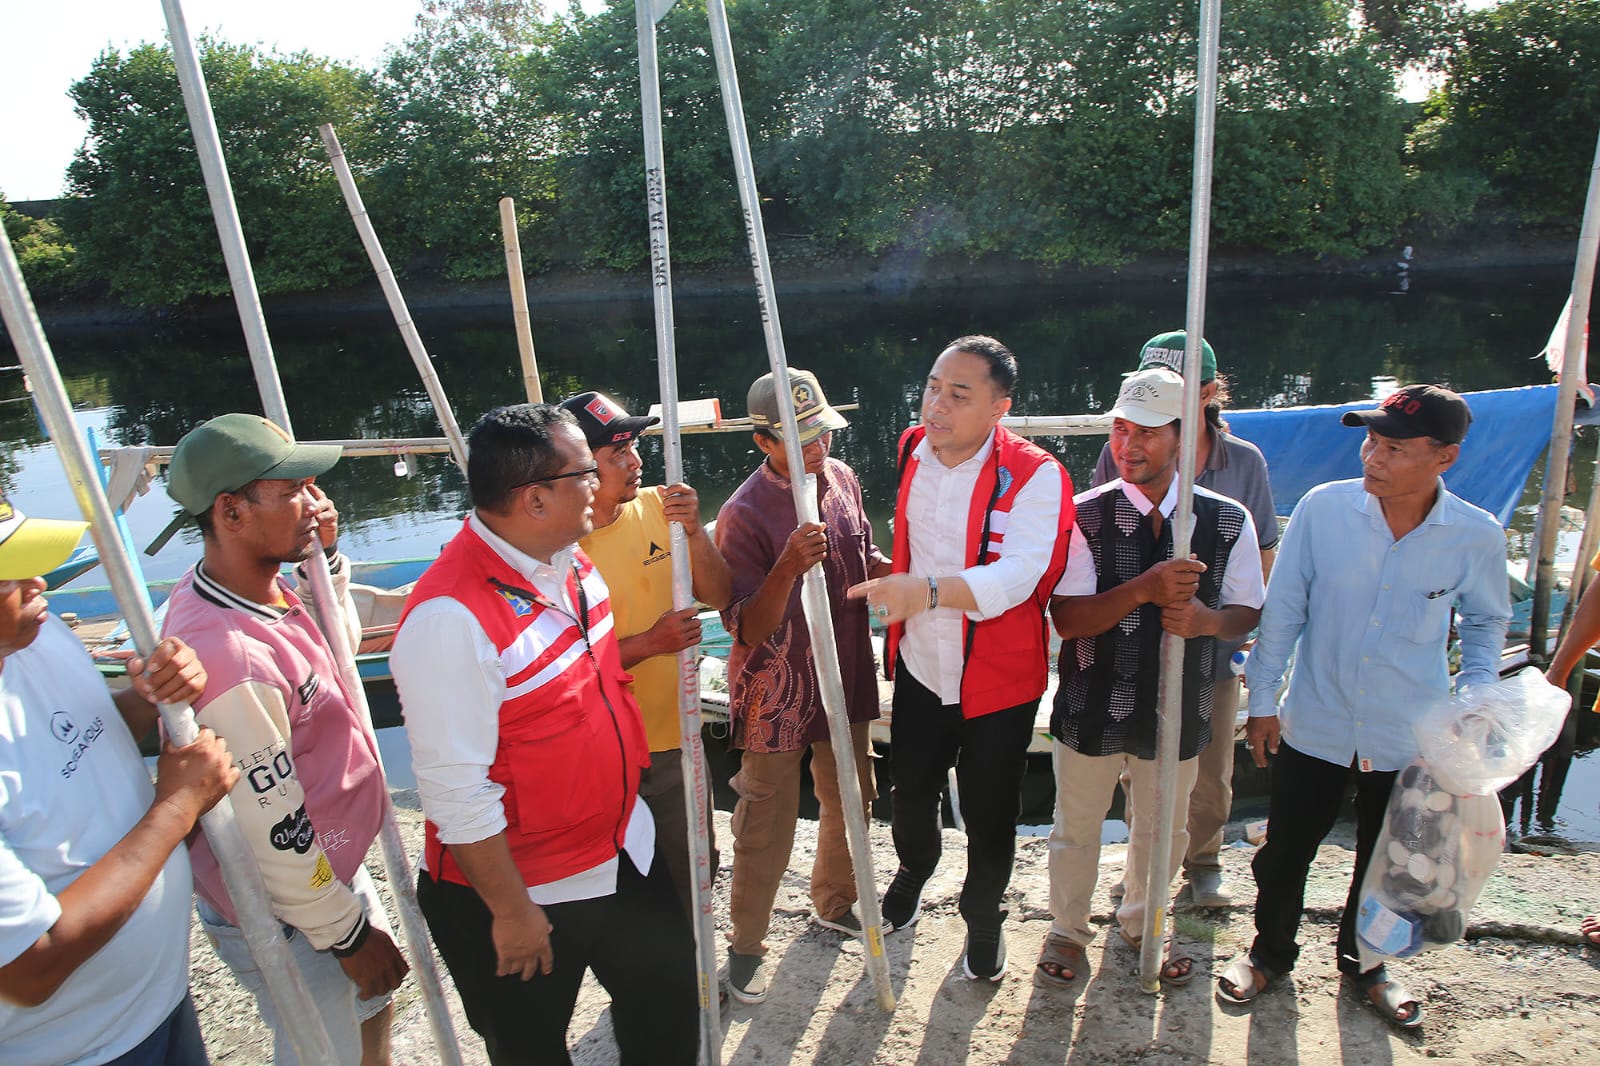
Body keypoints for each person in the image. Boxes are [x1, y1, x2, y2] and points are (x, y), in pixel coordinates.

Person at [391, 404, 697, 1065]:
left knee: (671, 1010)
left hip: (618, 849)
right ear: (534, 500)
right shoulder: (451, 618)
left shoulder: (569, 562)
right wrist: (512, 911)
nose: (602, 481)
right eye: (586, 470)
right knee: (530, 1050)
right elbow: (453, 790)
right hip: (523, 892)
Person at [1219, 385, 1510, 1030]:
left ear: (1446, 457)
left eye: (1394, 449)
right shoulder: (1324, 511)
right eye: (1371, 442)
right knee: (1286, 849)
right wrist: (1262, 702)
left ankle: (1368, 963)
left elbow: (1488, 622)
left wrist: (1477, 697)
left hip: (1410, 733)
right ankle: (1269, 955)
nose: (1373, 459)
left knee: (1388, 858)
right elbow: (1284, 609)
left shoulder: (1474, 535)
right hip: (1316, 719)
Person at [157, 414, 408, 1066]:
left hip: (327, 871)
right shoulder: (226, 655)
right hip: (291, 909)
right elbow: (273, 829)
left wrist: (324, 565)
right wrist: (347, 934)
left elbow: (336, 657)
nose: (317, 503)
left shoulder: (250, 586)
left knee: (371, 1015)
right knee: (324, 1051)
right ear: (231, 511)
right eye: (294, 489)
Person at [848, 334, 1073, 981]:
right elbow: (917, 549)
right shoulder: (912, 450)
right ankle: (916, 870)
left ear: (999, 408)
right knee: (910, 792)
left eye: (959, 395)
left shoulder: (1036, 476)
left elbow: (1021, 576)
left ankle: (983, 919)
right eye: (933, 388)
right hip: (920, 666)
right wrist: (900, 578)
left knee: (989, 811)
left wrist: (927, 591)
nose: (937, 406)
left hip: (999, 683)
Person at [1042, 367, 1265, 988]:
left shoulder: (1224, 520)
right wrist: (1146, 588)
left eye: (1146, 432)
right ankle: (1067, 929)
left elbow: (1248, 608)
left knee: (1164, 828)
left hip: (1181, 700)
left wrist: (1204, 620)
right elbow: (1067, 619)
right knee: (1077, 826)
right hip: (1091, 702)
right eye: (1119, 429)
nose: (1127, 446)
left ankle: (1146, 923)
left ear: (1182, 436)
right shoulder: (1082, 517)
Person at [0, 491, 237, 1065]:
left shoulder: (38, 637)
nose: (41, 585)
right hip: (74, 1050)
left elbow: (81, 732)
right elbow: (31, 966)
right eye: (9, 573)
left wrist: (156, 698)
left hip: (161, 1002)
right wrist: (178, 805)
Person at [714, 369, 890, 1005]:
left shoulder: (840, 478)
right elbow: (747, 626)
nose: (818, 448)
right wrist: (787, 563)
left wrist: (899, 577)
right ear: (764, 442)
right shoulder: (742, 515)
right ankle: (746, 944)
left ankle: (834, 901)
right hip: (776, 691)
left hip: (844, 669)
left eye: (822, 433)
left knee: (852, 791)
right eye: (801, 438)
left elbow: (862, 557)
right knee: (765, 818)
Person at [1089, 332, 1278, 908]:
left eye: (1180, 386)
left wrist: (1228, 625)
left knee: (1211, 764)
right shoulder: (1118, 452)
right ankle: (1141, 874)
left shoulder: (1242, 462)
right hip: (1133, 646)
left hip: (1212, 648)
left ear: (1209, 391)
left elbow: (1263, 553)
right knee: (1136, 764)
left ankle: (1203, 861)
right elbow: (1097, 539)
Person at [557, 390, 732, 918]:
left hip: (676, 736)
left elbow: (722, 595)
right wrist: (648, 644)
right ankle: (645, 990)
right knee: (625, 883)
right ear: (578, 470)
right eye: (617, 454)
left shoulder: (663, 507)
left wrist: (695, 530)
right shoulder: (559, 547)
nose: (635, 462)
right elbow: (560, 664)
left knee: (696, 862)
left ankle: (695, 978)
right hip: (601, 749)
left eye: (634, 447)